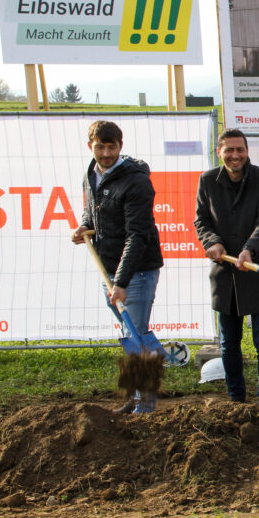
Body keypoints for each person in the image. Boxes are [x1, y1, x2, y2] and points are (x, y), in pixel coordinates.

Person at [71, 120, 163, 414]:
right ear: (91, 147)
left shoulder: (135, 181)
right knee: (129, 331)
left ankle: (145, 405)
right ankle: (139, 393)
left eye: (112, 147)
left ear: (120, 147)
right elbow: (92, 210)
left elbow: (138, 235)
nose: (106, 153)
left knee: (135, 334)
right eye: (100, 146)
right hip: (107, 267)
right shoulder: (91, 174)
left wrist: (121, 282)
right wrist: (85, 225)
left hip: (136, 271)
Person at [194, 128, 259, 404]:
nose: (235, 155)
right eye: (229, 150)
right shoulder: (208, 181)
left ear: (247, 151)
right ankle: (236, 399)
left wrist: (249, 249)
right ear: (219, 152)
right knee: (229, 344)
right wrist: (212, 242)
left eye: (240, 150)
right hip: (225, 276)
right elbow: (201, 221)